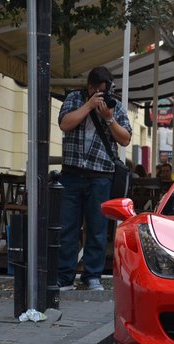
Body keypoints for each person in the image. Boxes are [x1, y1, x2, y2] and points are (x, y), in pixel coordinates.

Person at [57, 66, 132, 291]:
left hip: (100, 175)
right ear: (89, 87)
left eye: (104, 91)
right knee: (68, 227)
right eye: (97, 91)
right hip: (71, 173)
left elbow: (125, 139)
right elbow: (64, 124)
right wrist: (88, 106)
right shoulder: (74, 98)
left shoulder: (114, 106)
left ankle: (92, 276)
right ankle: (65, 276)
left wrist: (109, 119)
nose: (101, 95)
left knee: (98, 229)